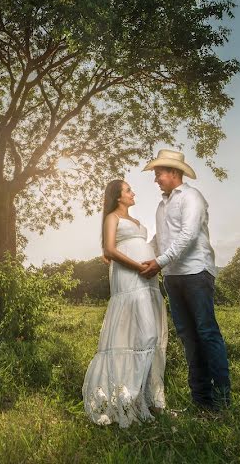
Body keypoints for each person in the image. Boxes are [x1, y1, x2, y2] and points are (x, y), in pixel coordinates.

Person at [140, 149, 231, 412]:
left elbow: (189, 235)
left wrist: (159, 262)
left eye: (159, 174)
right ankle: (200, 402)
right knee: (188, 337)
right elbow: (159, 240)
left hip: (196, 273)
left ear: (174, 173)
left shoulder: (192, 197)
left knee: (207, 333)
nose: (156, 179)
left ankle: (222, 403)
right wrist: (138, 256)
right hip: (173, 277)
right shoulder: (162, 205)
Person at [82, 179, 167, 427]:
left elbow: (145, 245)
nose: (133, 192)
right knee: (139, 333)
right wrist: (139, 266)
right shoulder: (111, 218)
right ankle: (127, 394)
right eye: (129, 189)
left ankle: (146, 396)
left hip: (148, 280)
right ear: (118, 196)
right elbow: (109, 250)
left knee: (150, 334)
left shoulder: (137, 223)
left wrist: (154, 262)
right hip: (130, 278)